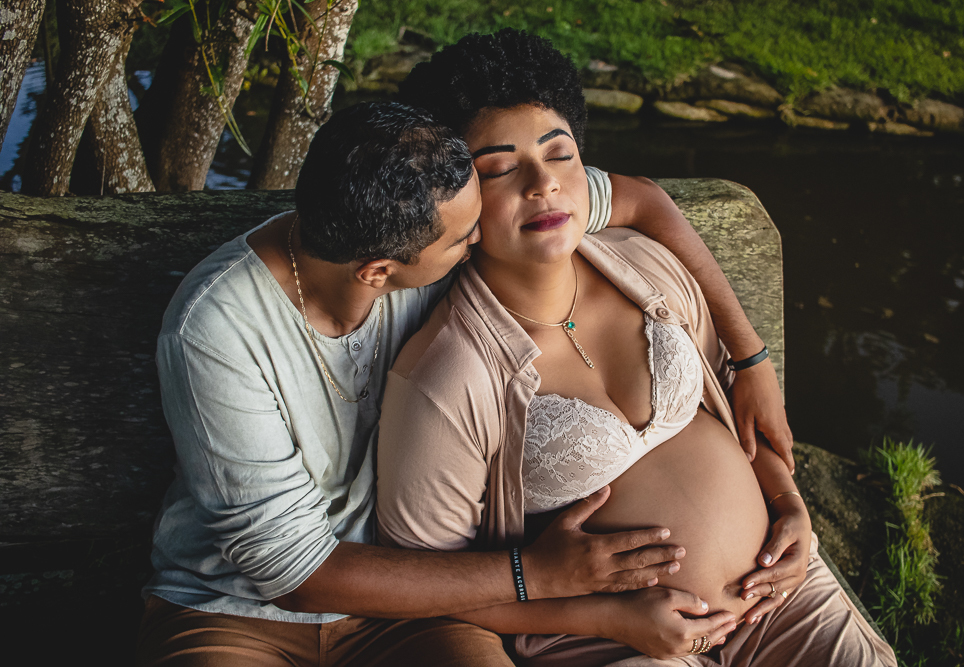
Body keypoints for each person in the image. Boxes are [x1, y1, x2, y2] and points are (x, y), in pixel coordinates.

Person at [136, 99, 776, 665]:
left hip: (419, 609)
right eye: (466, 240)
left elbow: (639, 199)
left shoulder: (421, 205)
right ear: (379, 273)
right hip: (233, 610)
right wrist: (536, 576)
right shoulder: (216, 329)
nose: (483, 237)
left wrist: (749, 359)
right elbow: (294, 575)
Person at [377, 29, 897, 665]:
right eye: (501, 169)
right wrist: (607, 618)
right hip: (609, 639)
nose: (543, 184)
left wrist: (790, 506)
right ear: (455, 199)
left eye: (559, 154)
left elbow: (728, 409)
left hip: (778, 589)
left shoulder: (645, 267)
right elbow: (422, 583)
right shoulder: (447, 377)